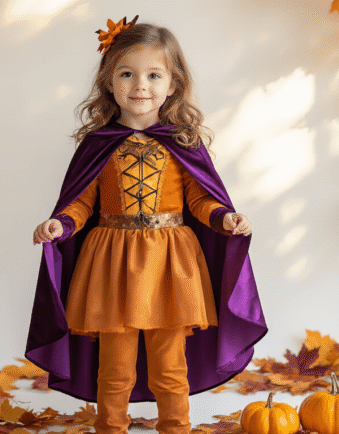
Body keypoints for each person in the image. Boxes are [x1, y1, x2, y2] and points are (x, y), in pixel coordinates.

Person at [26, 16, 267, 434]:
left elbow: (199, 197)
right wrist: (61, 225)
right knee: (115, 367)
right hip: (110, 263)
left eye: (154, 75)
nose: (141, 85)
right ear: (109, 82)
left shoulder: (182, 142)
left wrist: (224, 216)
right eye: (127, 73)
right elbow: (81, 202)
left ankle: (175, 427)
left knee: (170, 365)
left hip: (170, 263)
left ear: (173, 84)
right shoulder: (97, 145)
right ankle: (110, 427)